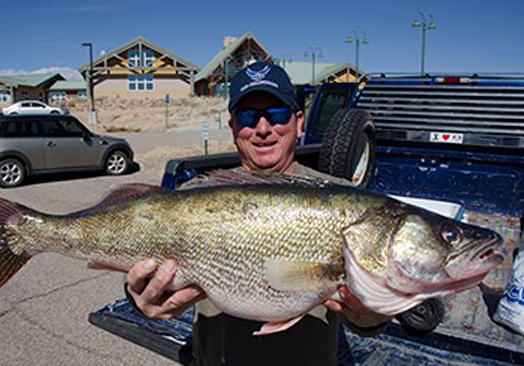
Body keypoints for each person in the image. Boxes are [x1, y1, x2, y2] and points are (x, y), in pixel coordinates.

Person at [125, 61, 392, 365]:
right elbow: (138, 254)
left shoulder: (344, 202)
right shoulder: (196, 196)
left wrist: (371, 316)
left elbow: (368, 319)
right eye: (248, 117)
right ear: (233, 127)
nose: (263, 129)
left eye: (276, 114)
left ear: (298, 121)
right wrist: (138, 296)